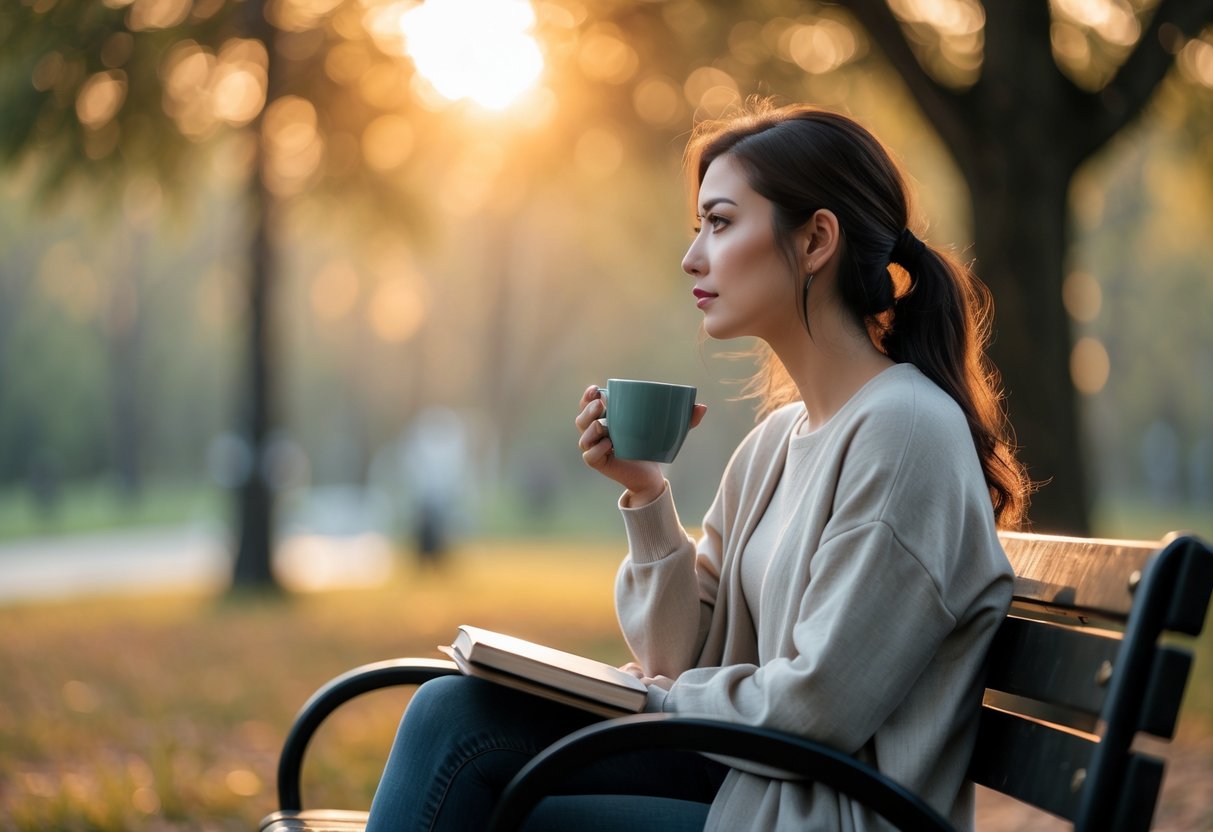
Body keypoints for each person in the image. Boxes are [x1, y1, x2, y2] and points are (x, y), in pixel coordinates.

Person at [364, 102, 1029, 832]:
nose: (692, 257)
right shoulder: (778, 441)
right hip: (749, 781)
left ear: (814, 240)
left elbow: (815, 708)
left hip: (818, 814)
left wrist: (641, 702)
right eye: (698, 228)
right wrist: (647, 495)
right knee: (455, 712)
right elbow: (674, 656)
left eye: (719, 223)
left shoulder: (903, 436)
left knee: (506, 806)